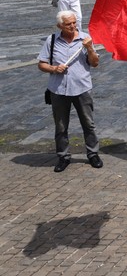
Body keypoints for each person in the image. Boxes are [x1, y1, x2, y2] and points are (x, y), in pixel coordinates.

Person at [37, 10, 102, 172]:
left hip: (82, 88)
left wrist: (90, 48)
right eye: (68, 24)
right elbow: (41, 64)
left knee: (88, 124)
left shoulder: (85, 39)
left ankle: (93, 154)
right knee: (61, 126)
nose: (73, 26)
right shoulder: (52, 40)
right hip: (58, 90)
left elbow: (94, 63)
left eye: (74, 22)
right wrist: (54, 68)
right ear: (60, 26)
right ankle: (63, 156)